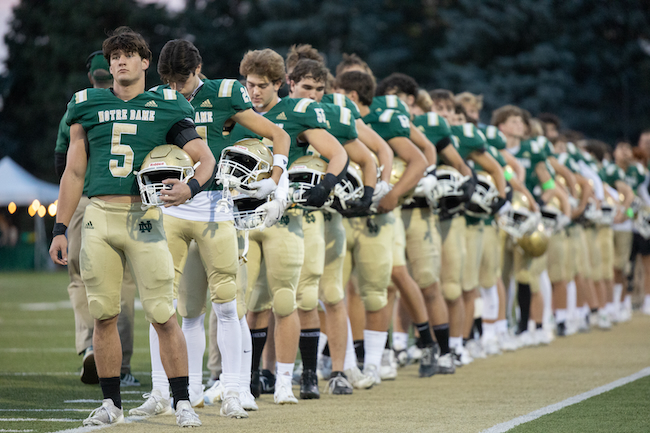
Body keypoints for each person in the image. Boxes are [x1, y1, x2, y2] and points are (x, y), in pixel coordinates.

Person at [49, 26, 215, 427]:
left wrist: (189, 188)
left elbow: (205, 159)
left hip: (145, 218)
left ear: (145, 62)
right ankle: (111, 405)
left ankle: (181, 401)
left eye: (127, 55)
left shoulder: (167, 105)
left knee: (163, 313)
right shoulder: (86, 104)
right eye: (113, 56)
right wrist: (57, 227)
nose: (119, 61)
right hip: (99, 217)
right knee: (103, 315)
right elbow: (73, 172)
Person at [128, 38, 290, 418]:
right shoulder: (159, 98)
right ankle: (165, 391)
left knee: (228, 306)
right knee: (167, 308)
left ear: (198, 71)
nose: (175, 89)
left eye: (181, 81)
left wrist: (276, 182)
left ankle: (233, 389)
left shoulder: (225, 94)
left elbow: (278, 135)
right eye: (168, 81)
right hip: (172, 211)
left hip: (217, 208)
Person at [231, 48, 348, 404]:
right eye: (249, 84)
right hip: (246, 217)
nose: (254, 92)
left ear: (280, 84)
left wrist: (325, 186)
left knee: (296, 298)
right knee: (251, 302)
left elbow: (338, 153)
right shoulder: (236, 111)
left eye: (262, 85)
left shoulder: (298, 110)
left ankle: (296, 377)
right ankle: (250, 378)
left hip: (288, 215)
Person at [54, 50, 139, 387]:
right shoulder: (141, 103)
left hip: (85, 198)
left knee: (79, 275)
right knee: (126, 283)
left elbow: (64, 161)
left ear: (91, 77)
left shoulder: (82, 103)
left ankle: (91, 344)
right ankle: (124, 364)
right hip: (127, 198)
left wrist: (67, 209)